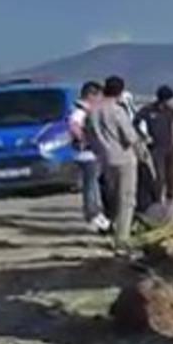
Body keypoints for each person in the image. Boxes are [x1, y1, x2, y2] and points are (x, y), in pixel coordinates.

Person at [85, 76, 141, 252]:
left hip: (104, 160)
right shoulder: (117, 111)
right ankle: (122, 240)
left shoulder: (93, 112)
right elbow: (130, 136)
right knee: (126, 200)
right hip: (123, 158)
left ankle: (115, 230)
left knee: (113, 197)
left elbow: (89, 136)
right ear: (120, 92)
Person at [136, 85, 173, 220]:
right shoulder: (148, 110)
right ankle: (157, 204)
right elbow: (135, 122)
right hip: (156, 149)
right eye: (168, 100)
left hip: (171, 148)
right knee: (159, 177)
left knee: (172, 177)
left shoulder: (171, 110)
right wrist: (144, 136)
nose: (170, 102)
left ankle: (170, 205)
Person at [68, 81, 109, 233]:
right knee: (91, 185)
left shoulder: (85, 110)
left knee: (93, 184)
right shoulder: (81, 110)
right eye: (98, 95)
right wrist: (84, 140)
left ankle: (95, 212)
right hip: (87, 154)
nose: (99, 99)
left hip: (90, 153)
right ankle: (92, 213)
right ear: (90, 95)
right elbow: (73, 126)